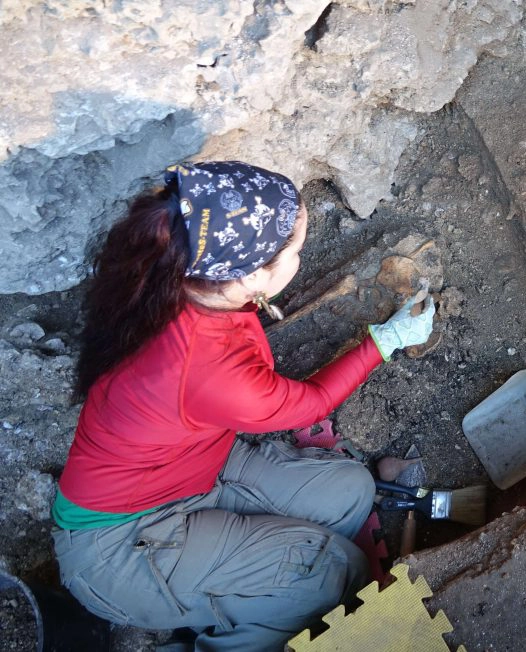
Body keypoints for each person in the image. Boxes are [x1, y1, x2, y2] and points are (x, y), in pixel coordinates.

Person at [51, 161, 435, 651]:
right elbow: (311, 404)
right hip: (118, 545)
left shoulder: (178, 274)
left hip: (187, 467)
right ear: (252, 275)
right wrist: (386, 341)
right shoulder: (206, 368)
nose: (300, 257)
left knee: (351, 492)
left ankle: (242, 587)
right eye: (295, 251)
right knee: (335, 573)